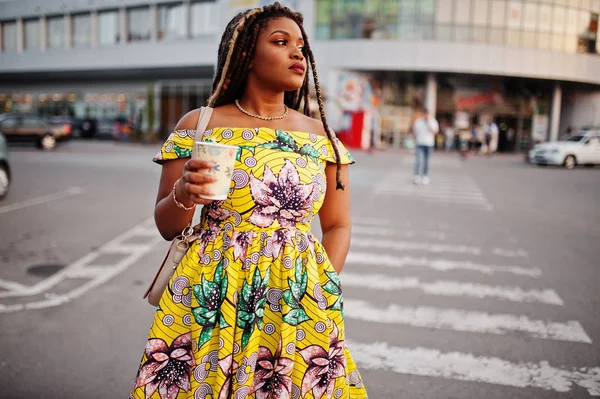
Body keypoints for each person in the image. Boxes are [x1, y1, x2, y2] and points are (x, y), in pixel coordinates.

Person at [130, 3, 368, 399]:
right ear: (245, 56)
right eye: (281, 42)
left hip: (294, 297)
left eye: (302, 48)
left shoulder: (322, 137)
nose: (298, 54)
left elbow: (338, 224)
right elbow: (167, 226)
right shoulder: (199, 124)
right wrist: (185, 192)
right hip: (210, 291)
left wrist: (319, 282)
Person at [413, 108, 439, 184]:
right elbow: (415, 131)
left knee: (427, 161)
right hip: (420, 143)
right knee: (418, 160)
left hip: (429, 144)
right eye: (425, 114)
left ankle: (425, 176)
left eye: (427, 114)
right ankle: (417, 176)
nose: (426, 115)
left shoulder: (433, 121)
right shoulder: (418, 121)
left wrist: (428, 124)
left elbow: (435, 132)